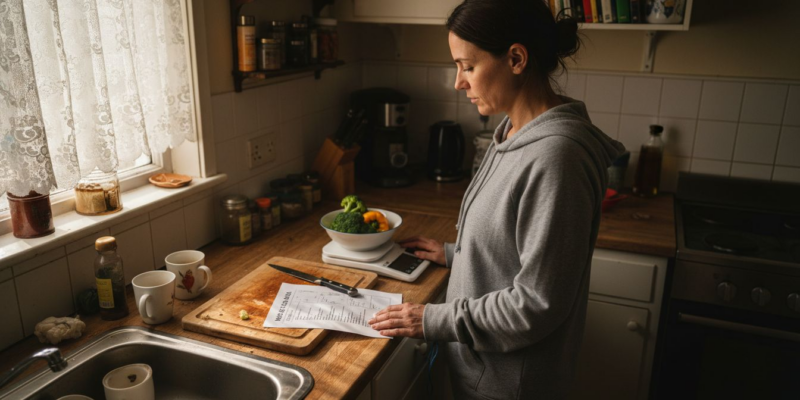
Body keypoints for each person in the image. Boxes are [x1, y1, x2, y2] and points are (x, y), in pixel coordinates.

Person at [367, 0, 625, 398]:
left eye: (468, 66)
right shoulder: (511, 132)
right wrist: (458, 253)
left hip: (511, 386)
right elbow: (516, 246)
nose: (459, 82)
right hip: (484, 371)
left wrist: (430, 320)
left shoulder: (556, 158)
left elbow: (537, 303)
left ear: (516, 59)